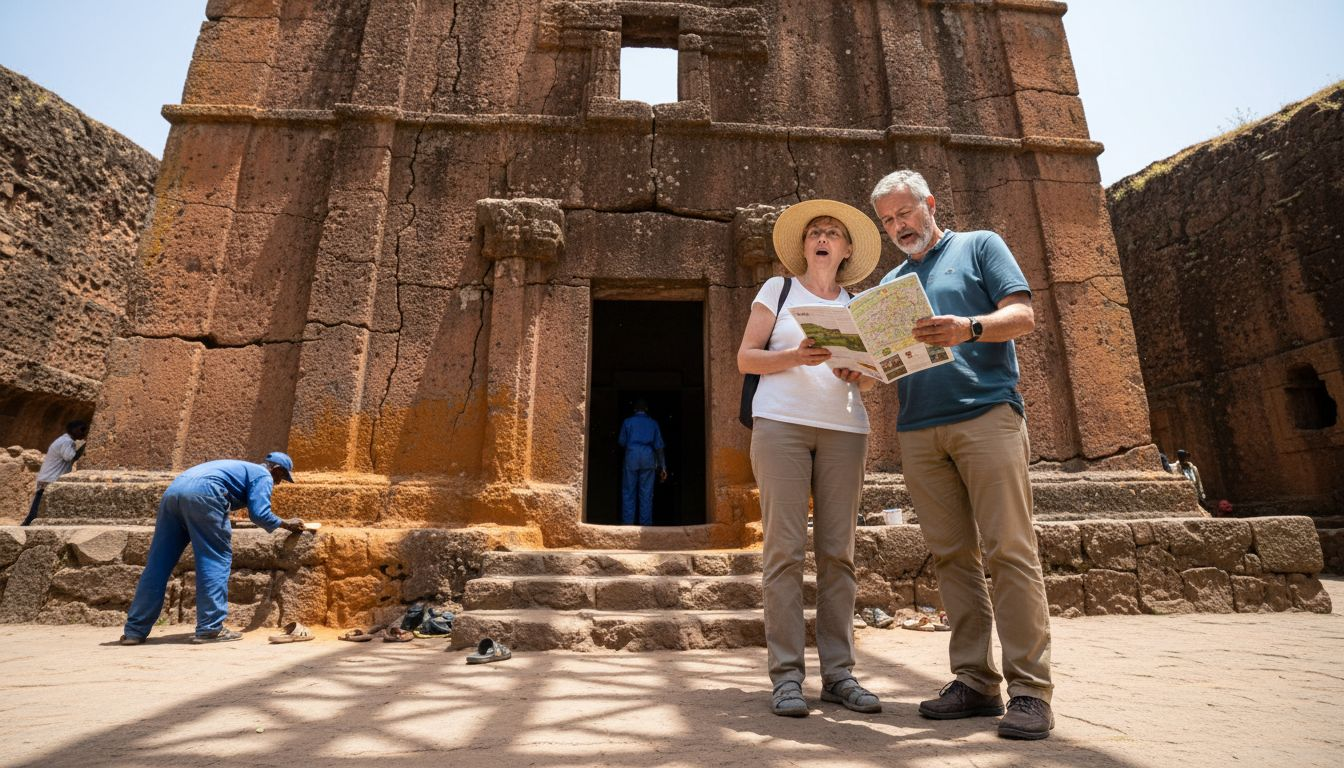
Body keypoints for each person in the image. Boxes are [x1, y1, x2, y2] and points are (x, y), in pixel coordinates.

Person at [870, 170, 1054, 740]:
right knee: (952, 557)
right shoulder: (891, 284)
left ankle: (1031, 691)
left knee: (1010, 551)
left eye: (905, 213)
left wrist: (968, 327)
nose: (899, 226)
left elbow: (1023, 315)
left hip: (986, 415)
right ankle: (975, 681)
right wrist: (860, 364)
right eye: (888, 221)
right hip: (918, 428)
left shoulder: (979, 245)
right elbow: (892, 362)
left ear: (929, 203)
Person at [736, 198, 882, 718]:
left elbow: (872, 378)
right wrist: (794, 356)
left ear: (846, 250)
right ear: (804, 246)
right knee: (784, 551)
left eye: (832, 233)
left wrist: (860, 373)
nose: (822, 237)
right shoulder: (776, 290)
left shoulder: (861, 304)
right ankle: (787, 677)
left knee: (839, 552)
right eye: (814, 231)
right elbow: (746, 358)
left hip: (845, 428)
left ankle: (839, 675)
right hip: (781, 425)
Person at [119, 452, 306, 645]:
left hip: (173, 493)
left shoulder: (240, 468)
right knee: (214, 559)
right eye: (281, 477)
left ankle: (135, 631)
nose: (278, 483)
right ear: (276, 469)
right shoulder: (263, 475)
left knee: (158, 564)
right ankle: (210, 628)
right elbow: (260, 514)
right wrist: (286, 524)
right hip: (205, 493)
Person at [21, 420, 89, 526]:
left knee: (41, 502)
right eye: (82, 430)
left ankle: (28, 523)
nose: (84, 433)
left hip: (48, 477)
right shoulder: (67, 442)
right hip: (51, 478)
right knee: (39, 504)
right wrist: (85, 446)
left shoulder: (63, 440)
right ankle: (27, 524)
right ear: (73, 429)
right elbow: (70, 457)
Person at [618, 399, 667, 525]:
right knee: (646, 494)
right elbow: (659, 447)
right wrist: (662, 466)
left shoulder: (627, 422)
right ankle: (645, 526)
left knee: (628, 492)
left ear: (634, 410)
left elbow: (622, 442)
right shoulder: (653, 423)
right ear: (647, 410)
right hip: (648, 459)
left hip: (631, 457)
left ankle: (628, 525)